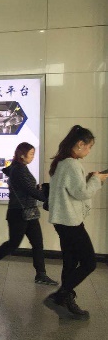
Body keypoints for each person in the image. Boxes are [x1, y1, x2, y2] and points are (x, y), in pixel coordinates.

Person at [43, 125, 108, 319]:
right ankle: (60, 296)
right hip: (70, 221)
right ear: (80, 144)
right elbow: (81, 193)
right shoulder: (71, 164)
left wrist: (91, 178)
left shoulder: (61, 162)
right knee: (89, 263)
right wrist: (96, 180)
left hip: (62, 221)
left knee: (70, 262)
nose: (89, 151)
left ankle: (65, 298)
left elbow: (71, 189)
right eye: (89, 146)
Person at [0, 142, 57, 285]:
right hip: (18, 213)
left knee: (38, 243)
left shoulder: (21, 168)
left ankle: (41, 274)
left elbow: (26, 188)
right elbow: (29, 190)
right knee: (13, 243)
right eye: (31, 153)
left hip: (29, 212)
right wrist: (47, 199)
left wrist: (38, 189)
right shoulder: (18, 170)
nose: (33, 156)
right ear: (22, 155)